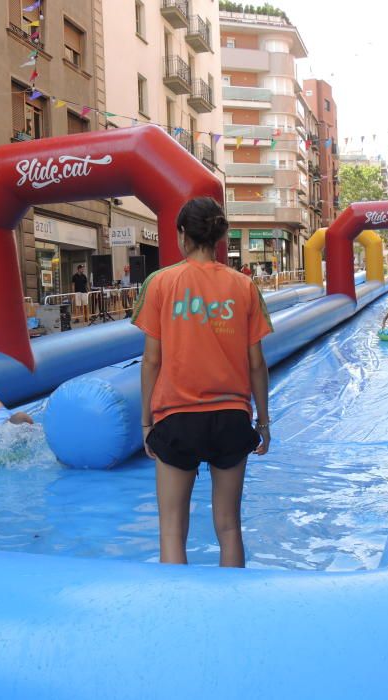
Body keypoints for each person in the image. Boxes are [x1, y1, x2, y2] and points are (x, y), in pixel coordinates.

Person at [132, 196, 272, 568]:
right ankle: (233, 609)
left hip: (176, 416)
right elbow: (257, 363)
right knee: (229, 528)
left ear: (182, 235)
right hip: (231, 415)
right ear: (219, 236)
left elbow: (151, 360)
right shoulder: (244, 287)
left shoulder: (160, 283)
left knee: (172, 529)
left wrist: (147, 423)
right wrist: (263, 421)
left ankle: (178, 615)